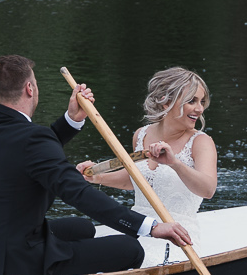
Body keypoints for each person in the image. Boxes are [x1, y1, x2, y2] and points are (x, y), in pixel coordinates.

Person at [0, 54, 193, 275]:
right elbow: (77, 192)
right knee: (130, 248)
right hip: (17, 262)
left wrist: (72, 119)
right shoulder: (32, 140)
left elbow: (26, 150)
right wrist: (149, 227)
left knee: (81, 227)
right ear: (30, 88)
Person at [79, 66, 217, 248]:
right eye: (192, 101)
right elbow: (135, 179)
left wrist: (174, 163)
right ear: (166, 102)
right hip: (138, 227)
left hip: (177, 235)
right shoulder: (141, 134)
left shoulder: (201, 142)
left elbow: (208, 190)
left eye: (202, 101)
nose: (199, 109)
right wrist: (95, 177)